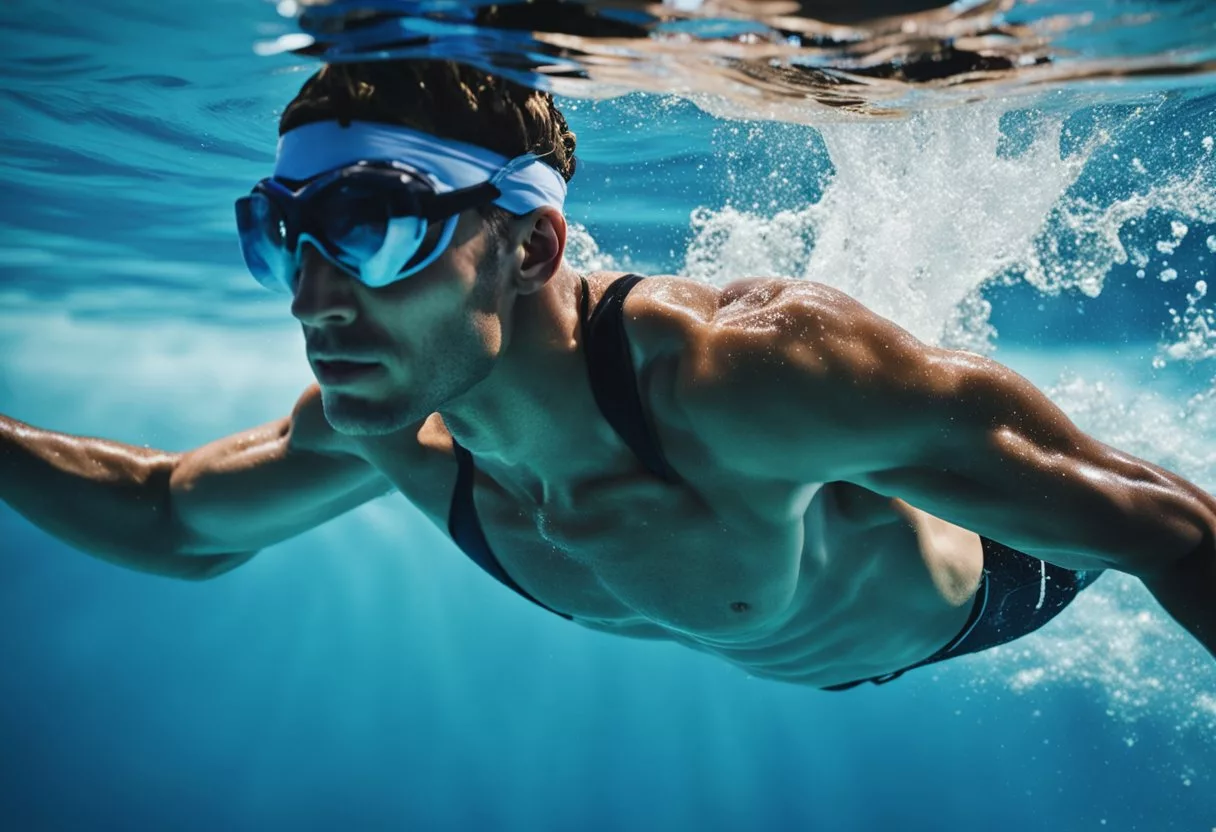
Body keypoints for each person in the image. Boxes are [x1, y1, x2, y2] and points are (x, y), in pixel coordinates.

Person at [1, 61, 1211, 690]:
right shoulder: (388, 423)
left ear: (529, 244)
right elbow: (173, 515)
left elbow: (1172, 532)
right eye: (282, 237)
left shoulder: (742, 382)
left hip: (1000, 582)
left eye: (373, 228)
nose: (317, 298)